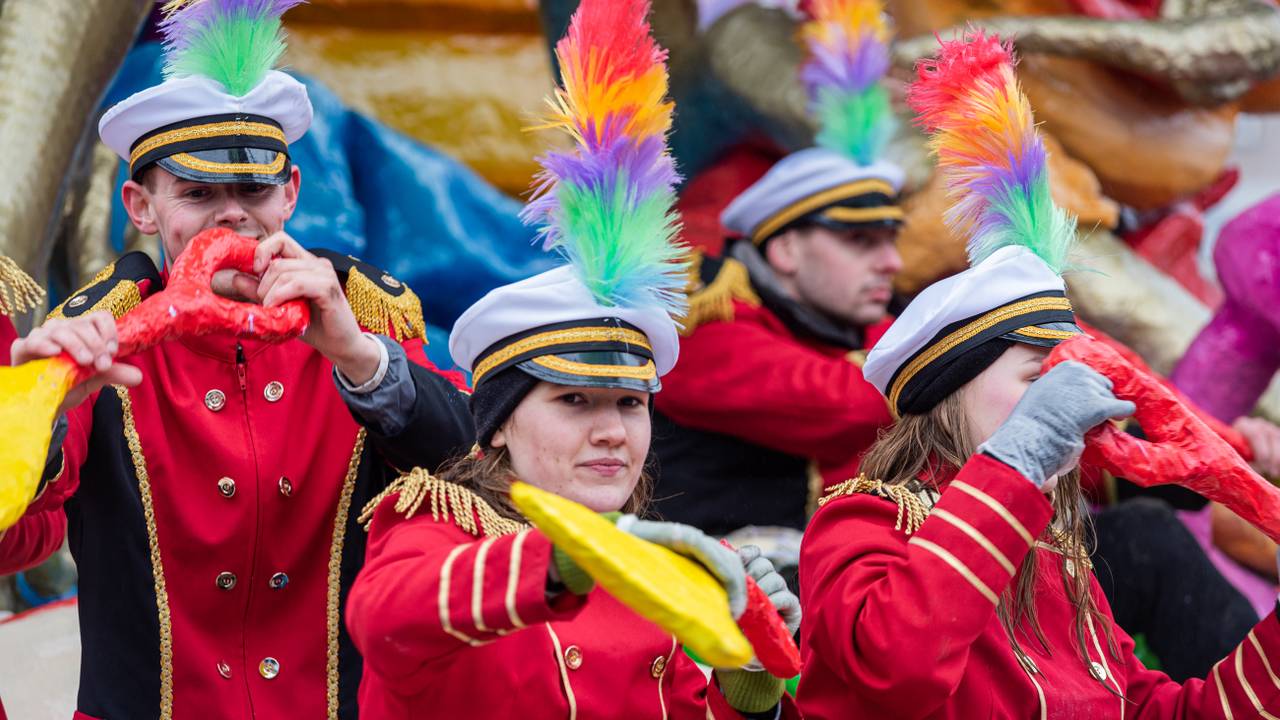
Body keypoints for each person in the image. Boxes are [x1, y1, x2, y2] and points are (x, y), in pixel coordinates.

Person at [0, 4, 471, 718]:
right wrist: (40, 415)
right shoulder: (95, 340)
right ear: (141, 207)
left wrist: (358, 358)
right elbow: (15, 543)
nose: (232, 215)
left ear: (290, 194)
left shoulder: (362, 325)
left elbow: (483, 483)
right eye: (197, 193)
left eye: (253, 190)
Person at [798, 31, 1280, 718]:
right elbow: (895, 669)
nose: (1071, 403)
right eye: (1039, 377)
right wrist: (1021, 454)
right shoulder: (863, 520)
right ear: (950, 391)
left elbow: (1154, 710)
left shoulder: (1060, 556)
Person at [346, 1, 800, 717]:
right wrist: (565, 557)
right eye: (574, 400)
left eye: (630, 404)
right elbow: (383, 616)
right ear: (496, 422)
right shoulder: (434, 528)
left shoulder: (665, 560)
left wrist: (747, 679)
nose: (613, 431)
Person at [652, 2, 904, 536]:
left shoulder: (852, 316)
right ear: (786, 251)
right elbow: (848, 404)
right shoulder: (702, 320)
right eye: (861, 242)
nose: (893, 262)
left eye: (890, 241)